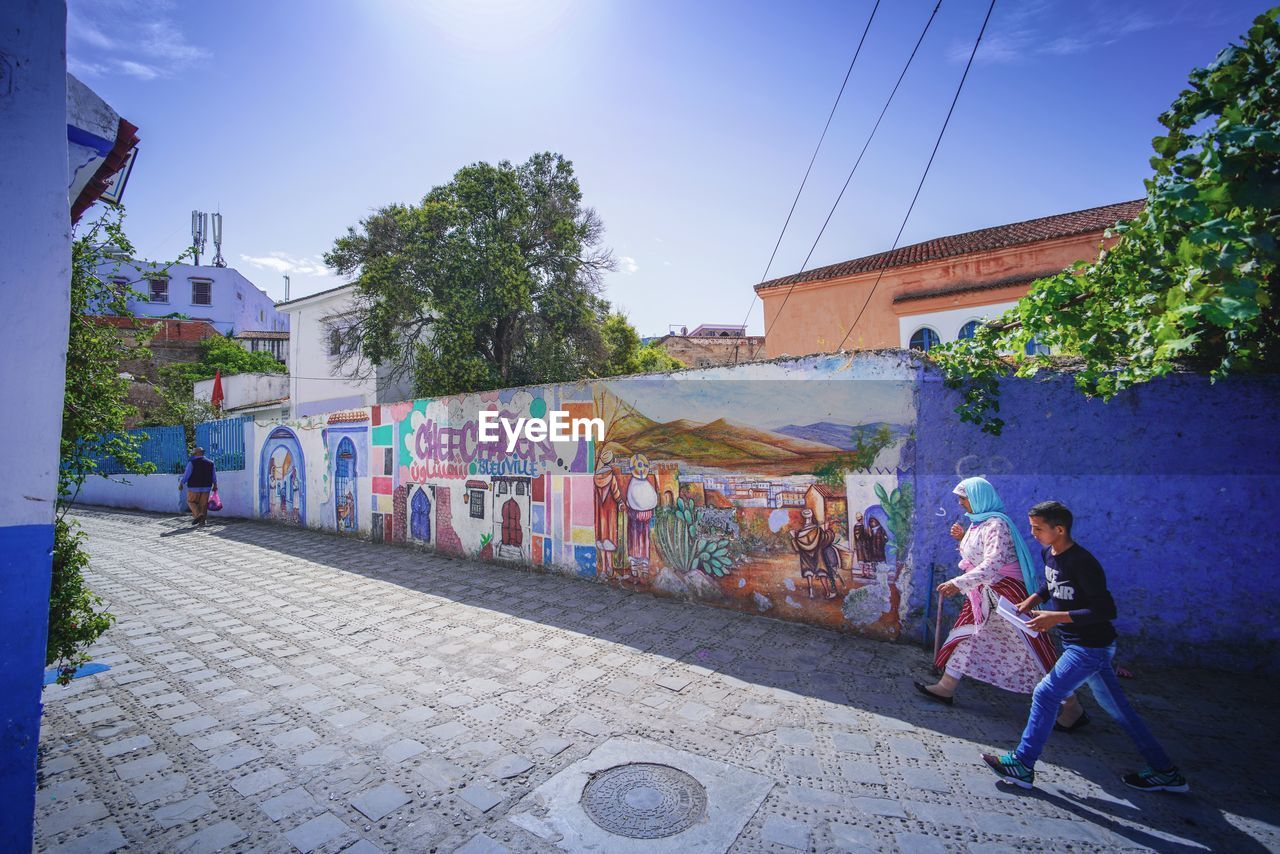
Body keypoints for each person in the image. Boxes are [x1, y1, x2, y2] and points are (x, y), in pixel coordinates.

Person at [983, 501, 1188, 792]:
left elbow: (1105, 610)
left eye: (1038, 528)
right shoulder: (1049, 553)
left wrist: (1057, 617)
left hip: (1089, 646)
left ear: (1060, 529)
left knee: (1045, 693)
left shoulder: (1083, 562)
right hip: (1081, 645)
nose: (1033, 534)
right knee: (1119, 710)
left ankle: (1022, 763)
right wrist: (1032, 600)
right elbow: (1051, 585)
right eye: (1031, 527)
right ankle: (1166, 771)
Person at [917, 478, 1082, 729]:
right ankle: (946, 686)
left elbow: (992, 563)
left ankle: (1072, 706)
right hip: (984, 594)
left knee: (1032, 649)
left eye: (964, 497)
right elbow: (977, 556)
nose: (960, 503)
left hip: (1007, 595)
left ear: (979, 496)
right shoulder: (977, 524)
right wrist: (962, 539)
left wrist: (958, 583)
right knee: (969, 637)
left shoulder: (997, 525)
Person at [179, 446, 218, 526]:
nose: (194, 455)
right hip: (206, 487)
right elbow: (213, 475)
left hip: (194, 487)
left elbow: (187, 474)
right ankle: (202, 522)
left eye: (194, 454)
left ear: (196, 453)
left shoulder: (192, 463)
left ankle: (198, 514)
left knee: (191, 501)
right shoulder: (211, 463)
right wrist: (215, 484)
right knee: (203, 505)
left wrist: (181, 483)